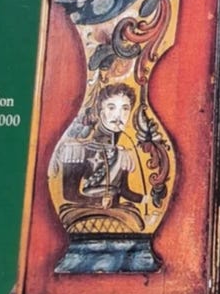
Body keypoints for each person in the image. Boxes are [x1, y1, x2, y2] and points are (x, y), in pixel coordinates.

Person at [51, 83, 148, 231]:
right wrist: (98, 201)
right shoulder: (78, 149)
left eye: (125, 108)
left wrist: (145, 199)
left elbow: (123, 190)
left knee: (135, 222)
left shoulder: (122, 154)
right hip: (84, 211)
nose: (118, 115)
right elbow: (69, 193)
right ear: (101, 112)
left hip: (115, 211)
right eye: (111, 107)